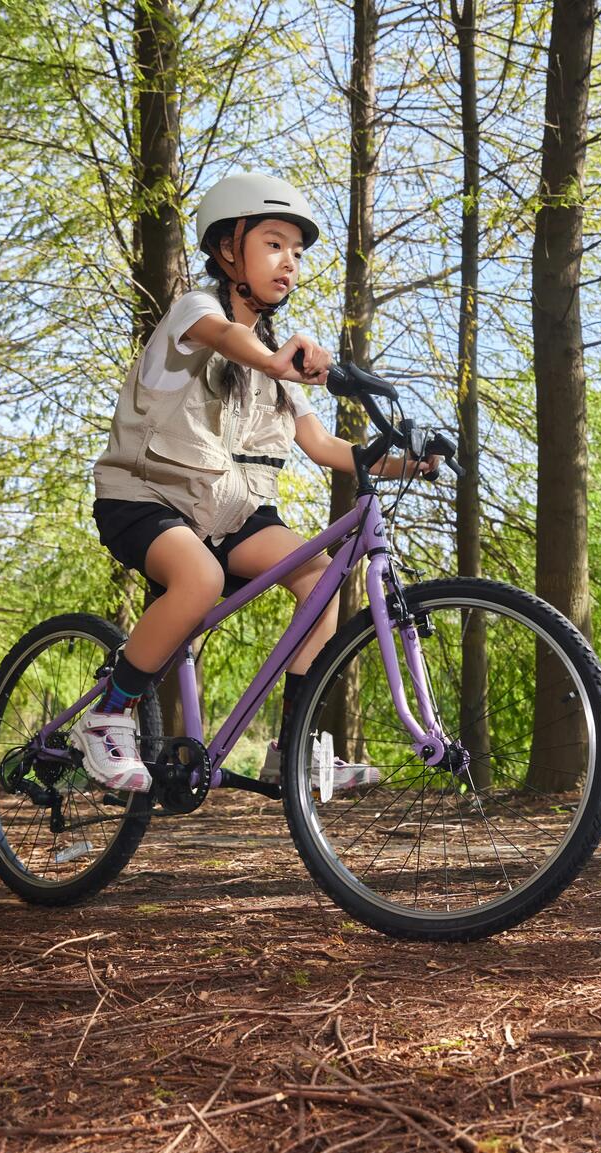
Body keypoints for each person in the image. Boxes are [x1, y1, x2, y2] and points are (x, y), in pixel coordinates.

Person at [77, 171, 436, 793]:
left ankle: (293, 747)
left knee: (323, 580)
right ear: (227, 249)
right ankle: (108, 714)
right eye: (273, 244)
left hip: (232, 516)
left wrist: (411, 463)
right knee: (200, 579)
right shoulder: (197, 311)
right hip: (145, 496)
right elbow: (225, 336)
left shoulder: (275, 361)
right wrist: (275, 360)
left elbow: (324, 448)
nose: (289, 262)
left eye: (296, 252)